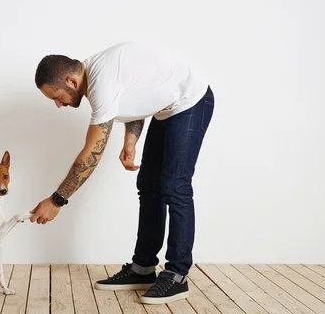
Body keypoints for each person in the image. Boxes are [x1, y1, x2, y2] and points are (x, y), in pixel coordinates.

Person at [29, 40, 214, 305]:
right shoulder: (96, 74)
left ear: (71, 81)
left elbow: (90, 155)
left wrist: (56, 200)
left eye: (57, 97)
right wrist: (130, 141)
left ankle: (177, 275)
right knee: (149, 184)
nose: (58, 104)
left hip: (192, 101)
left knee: (175, 185)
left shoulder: (100, 84)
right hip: (167, 110)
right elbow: (135, 96)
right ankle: (143, 268)